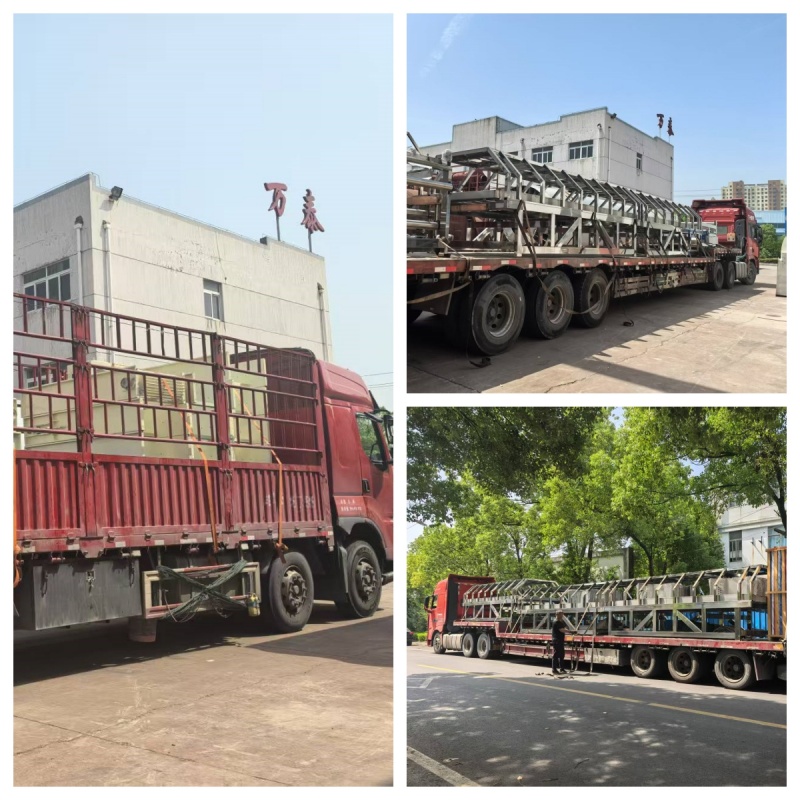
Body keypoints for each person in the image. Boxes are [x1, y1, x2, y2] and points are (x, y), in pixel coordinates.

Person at [552, 610, 568, 675]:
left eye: (562, 614)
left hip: (560, 640)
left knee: (561, 654)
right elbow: (561, 630)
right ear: (557, 614)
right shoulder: (556, 622)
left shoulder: (561, 621)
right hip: (557, 640)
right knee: (556, 655)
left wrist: (568, 630)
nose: (562, 615)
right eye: (561, 614)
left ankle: (562, 669)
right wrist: (571, 632)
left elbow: (564, 628)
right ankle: (554, 669)